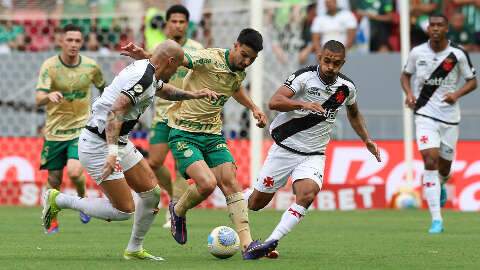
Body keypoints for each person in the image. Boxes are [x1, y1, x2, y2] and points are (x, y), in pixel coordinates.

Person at [41, 40, 218, 261]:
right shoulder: (143, 76)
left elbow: (165, 91)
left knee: (151, 194)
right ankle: (59, 200)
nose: (178, 71)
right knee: (123, 210)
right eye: (178, 66)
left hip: (117, 141)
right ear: (170, 62)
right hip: (99, 144)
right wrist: (112, 153)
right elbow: (116, 111)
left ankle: (134, 249)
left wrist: (194, 94)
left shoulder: (149, 72)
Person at [120, 28, 277, 260]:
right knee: (207, 184)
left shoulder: (239, 71)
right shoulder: (208, 58)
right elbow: (174, 58)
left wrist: (254, 107)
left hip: (213, 135)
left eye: (251, 59)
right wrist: (145, 54)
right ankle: (178, 209)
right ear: (235, 45)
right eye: (244, 55)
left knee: (231, 182)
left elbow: (234, 88)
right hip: (183, 132)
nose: (246, 62)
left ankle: (248, 245)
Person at [246, 40, 381, 258]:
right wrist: (303, 104)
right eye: (327, 61)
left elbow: (354, 114)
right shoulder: (304, 77)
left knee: (307, 194)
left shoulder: (346, 88)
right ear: (319, 57)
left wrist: (367, 139)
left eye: (336, 63)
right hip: (285, 146)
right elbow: (274, 101)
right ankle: (237, 199)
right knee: (256, 203)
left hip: (314, 154)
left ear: (342, 63)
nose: (330, 66)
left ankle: (271, 241)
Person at [400, 15, 477, 234]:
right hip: (424, 113)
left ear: (446, 29)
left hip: (449, 117)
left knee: (444, 167)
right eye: (432, 25)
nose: (435, 28)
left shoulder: (457, 54)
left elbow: (472, 81)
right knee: (430, 160)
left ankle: (441, 183)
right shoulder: (417, 52)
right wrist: (408, 93)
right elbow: (405, 75)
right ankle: (437, 220)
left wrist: (457, 94)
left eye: (439, 25)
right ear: (427, 29)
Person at [36, 24, 106, 232]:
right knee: (54, 180)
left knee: (75, 172)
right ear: (61, 41)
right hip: (54, 132)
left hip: (80, 129)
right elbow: (38, 97)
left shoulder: (91, 66)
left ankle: (83, 201)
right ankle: (53, 216)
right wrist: (48, 96)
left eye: (77, 41)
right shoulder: (49, 66)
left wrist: (102, 113)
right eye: (70, 40)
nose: (74, 44)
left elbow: (105, 89)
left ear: (81, 43)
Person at [147, 4, 204, 229]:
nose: (178, 25)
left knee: (182, 166)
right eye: (174, 21)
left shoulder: (197, 49)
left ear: (186, 25)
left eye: (182, 22)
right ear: (167, 24)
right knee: (154, 162)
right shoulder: (159, 49)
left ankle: (175, 210)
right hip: (162, 114)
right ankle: (173, 194)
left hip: (187, 115)